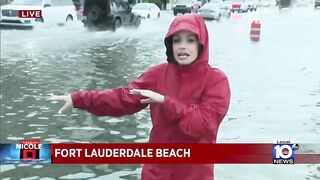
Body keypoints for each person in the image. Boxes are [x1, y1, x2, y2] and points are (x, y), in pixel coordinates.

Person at [49, 14, 231, 180]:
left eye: (190, 40)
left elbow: (202, 125)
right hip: (156, 172)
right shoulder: (158, 74)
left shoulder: (216, 80)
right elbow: (121, 99)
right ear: (170, 44)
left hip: (195, 174)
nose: (182, 46)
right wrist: (77, 99)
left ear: (201, 44)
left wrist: (164, 101)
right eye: (177, 40)